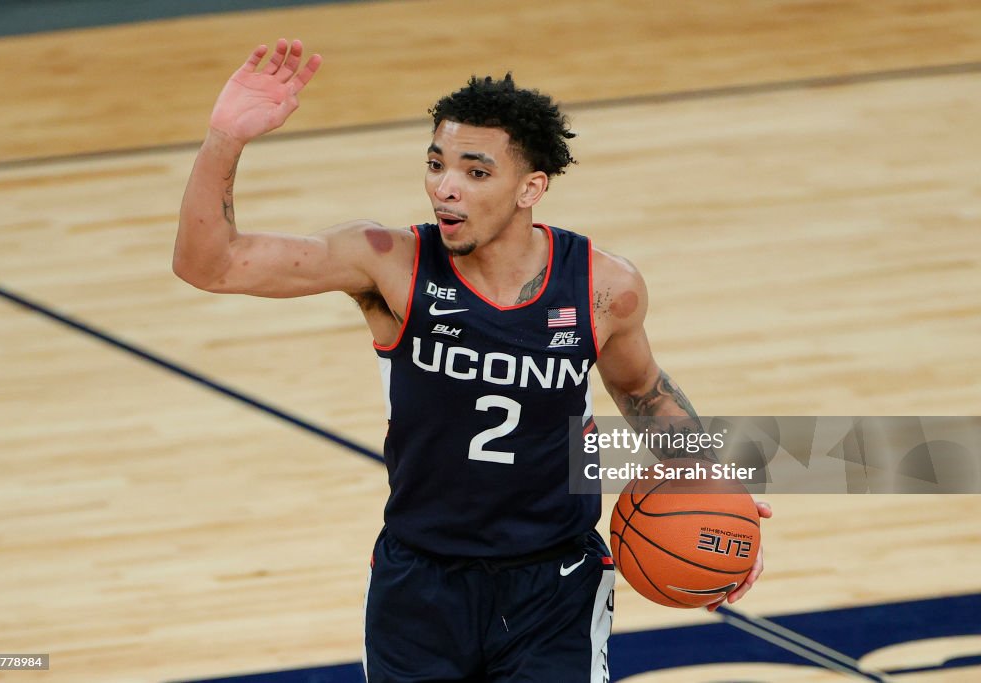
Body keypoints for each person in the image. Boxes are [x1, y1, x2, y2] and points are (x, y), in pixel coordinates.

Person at [174, 38, 771, 683]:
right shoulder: (388, 261)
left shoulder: (603, 287)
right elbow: (209, 264)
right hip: (420, 582)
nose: (446, 188)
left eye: (476, 172)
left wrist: (716, 496)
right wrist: (224, 139)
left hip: (556, 582)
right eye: (437, 164)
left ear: (530, 186)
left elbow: (641, 389)